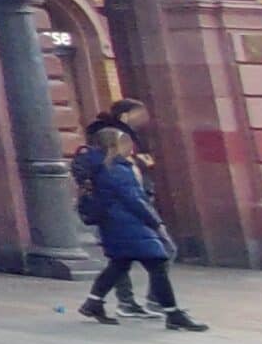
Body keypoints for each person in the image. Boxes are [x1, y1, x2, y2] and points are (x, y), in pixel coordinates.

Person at [78, 126, 206, 331]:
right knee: (157, 264)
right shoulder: (117, 169)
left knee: (119, 264)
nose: (129, 147)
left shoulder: (103, 167)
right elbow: (135, 200)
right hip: (130, 225)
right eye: (124, 142)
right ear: (113, 145)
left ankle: (93, 303)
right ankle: (173, 313)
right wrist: (156, 223)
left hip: (116, 225)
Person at [73, 99, 154, 316]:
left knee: (121, 260)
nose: (144, 118)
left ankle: (100, 302)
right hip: (122, 213)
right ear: (126, 115)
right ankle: (157, 303)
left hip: (122, 211)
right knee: (158, 255)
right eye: (139, 113)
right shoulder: (112, 142)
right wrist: (153, 220)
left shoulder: (120, 139)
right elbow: (122, 187)